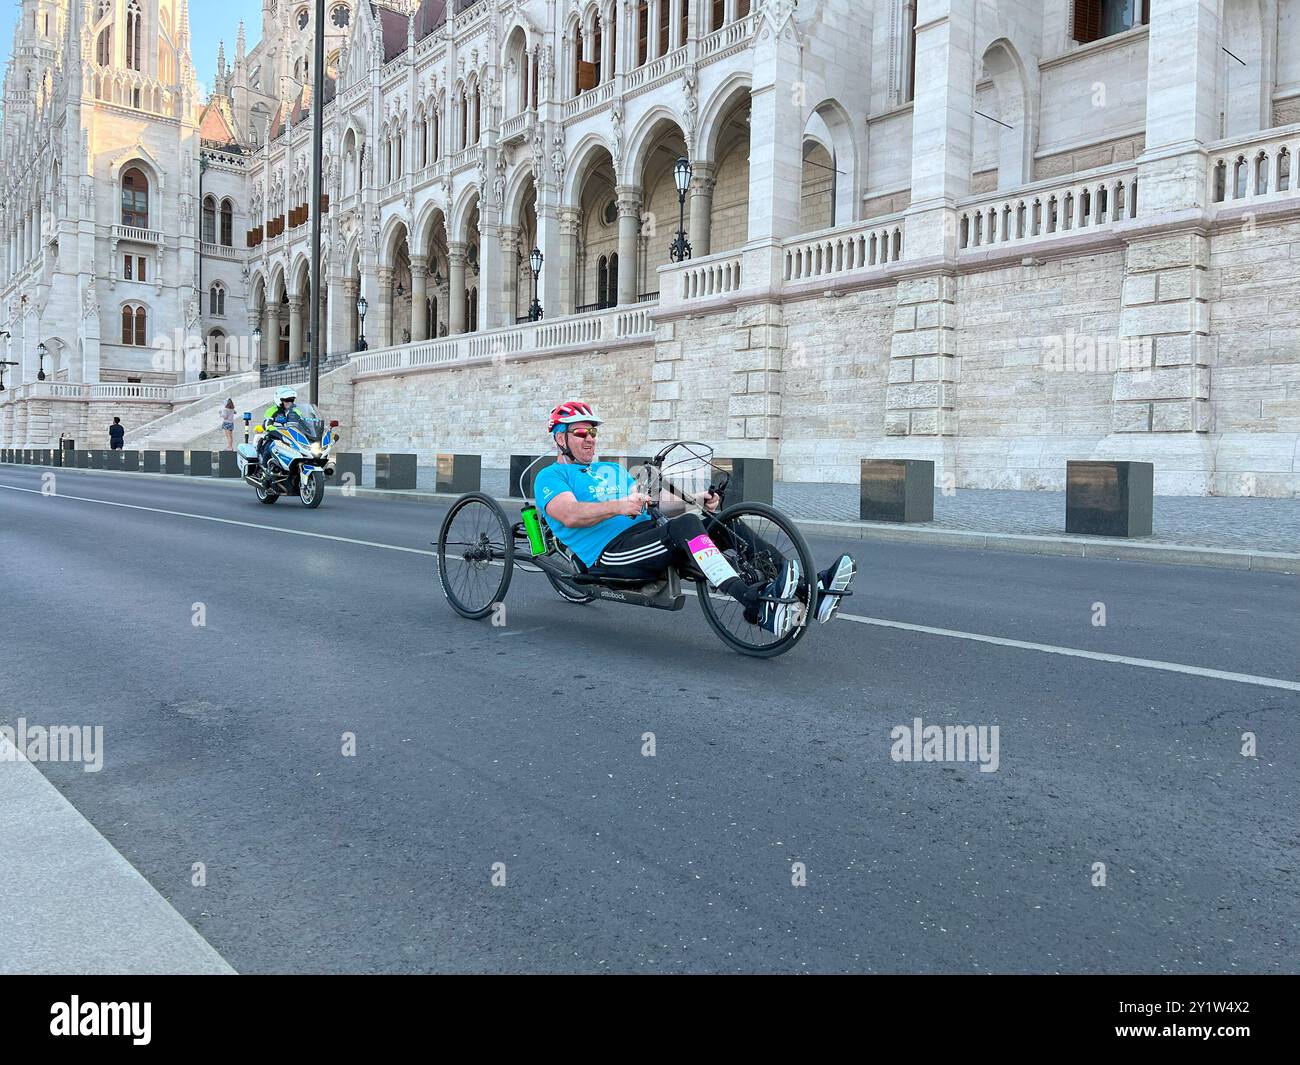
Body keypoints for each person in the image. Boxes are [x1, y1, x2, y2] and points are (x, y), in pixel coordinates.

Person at [533, 401, 858, 637]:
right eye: (581, 433)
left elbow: (653, 502)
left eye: (593, 432)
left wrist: (696, 501)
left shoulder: (612, 469)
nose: (590, 438)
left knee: (718, 523)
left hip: (649, 534)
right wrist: (619, 507)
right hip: (611, 553)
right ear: (560, 439)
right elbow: (569, 514)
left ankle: (812, 590)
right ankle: (757, 606)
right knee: (687, 526)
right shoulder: (552, 476)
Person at [256, 387, 298, 482]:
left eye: (291, 400)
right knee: (269, 448)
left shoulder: (296, 411)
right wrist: (275, 431)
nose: (289, 402)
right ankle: (264, 472)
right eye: (286, 400)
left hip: (292, 438)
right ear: (280, 400)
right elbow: (266, 424)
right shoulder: (272, 410)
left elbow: (305, 423)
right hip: (275, 437)